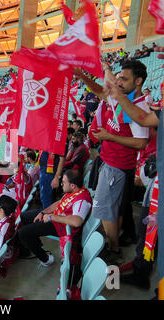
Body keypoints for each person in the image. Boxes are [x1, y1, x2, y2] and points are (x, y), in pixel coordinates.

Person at [76, 59, 151, 265]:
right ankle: (114, 244)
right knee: (113, 210)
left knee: (105, 211)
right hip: (111, 163)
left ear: (138, 81)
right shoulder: (123, 98)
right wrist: (83, 77)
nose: (117, 83)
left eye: (123, 79)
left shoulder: (137, 107)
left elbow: (141, 142)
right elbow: (102, 92)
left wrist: (110, 137)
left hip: (117, 166)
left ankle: (114, 249)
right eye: (117, 78)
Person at [16, 170, 92, 271]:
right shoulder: (74, 190)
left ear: (73, 185)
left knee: (23, 233)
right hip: (57, 217)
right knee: (24, 217)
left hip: (63, 227)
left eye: (64, 182)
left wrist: (51, 217)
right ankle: (37, 245)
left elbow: (77, 221)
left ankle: (46, 259)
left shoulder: (82, 200)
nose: (61, 184)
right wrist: (43, 213)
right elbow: (59, 203)